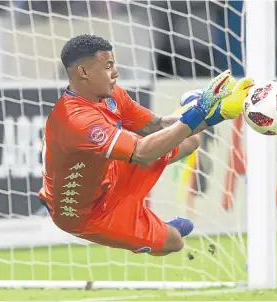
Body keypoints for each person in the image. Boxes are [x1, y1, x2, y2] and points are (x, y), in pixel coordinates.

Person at [38, 34, 253, 256]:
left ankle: (144, 222)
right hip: (85, 214)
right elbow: (142, 153)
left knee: (189, 139)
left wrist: (217, 111)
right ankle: (152, 229)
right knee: (174, 242)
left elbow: (157, 126)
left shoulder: (112, 95)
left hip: (112, 174)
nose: (115, 73)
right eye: (108, 66)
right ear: (83, 72)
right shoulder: (77, 120)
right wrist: (200, 112)